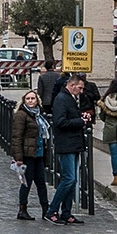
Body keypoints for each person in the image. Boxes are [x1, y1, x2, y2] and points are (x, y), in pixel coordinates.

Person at [45, 73, 88, 225]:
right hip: (66, 144)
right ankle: (52, 210)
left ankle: (66, 212)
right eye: (80, 88)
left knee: (72, 179)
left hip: (73, 143)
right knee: (68, 179)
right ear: (72, 85)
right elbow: (60, 122)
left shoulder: (69, 98)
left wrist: (80, 118)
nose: (81, 91)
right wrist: (80, 121)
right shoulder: (62, 99)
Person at [10, 89, 50, 220]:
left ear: (37, 101)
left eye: (33, 98)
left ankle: (46, 210)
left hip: (38, 153)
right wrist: (18, 158)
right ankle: (22, 210)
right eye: (28, 99)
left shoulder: (38, 115)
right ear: (24, 101)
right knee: (26, 183)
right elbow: (16, 137)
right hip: (27, 155)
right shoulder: (21, 115)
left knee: (41, 183)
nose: (31, 101)